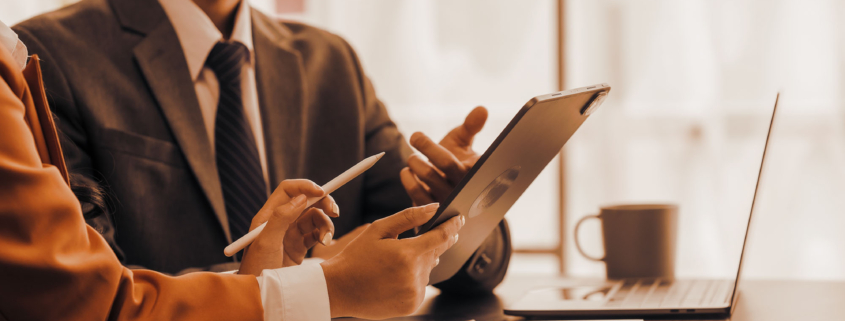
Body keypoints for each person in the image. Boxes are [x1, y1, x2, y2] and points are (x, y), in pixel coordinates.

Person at [13, 0, 511, 289]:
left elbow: (422, 249)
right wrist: (302, 288)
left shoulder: (331, 63)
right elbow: (87, 291)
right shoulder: (52, 55)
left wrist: (460, 211)